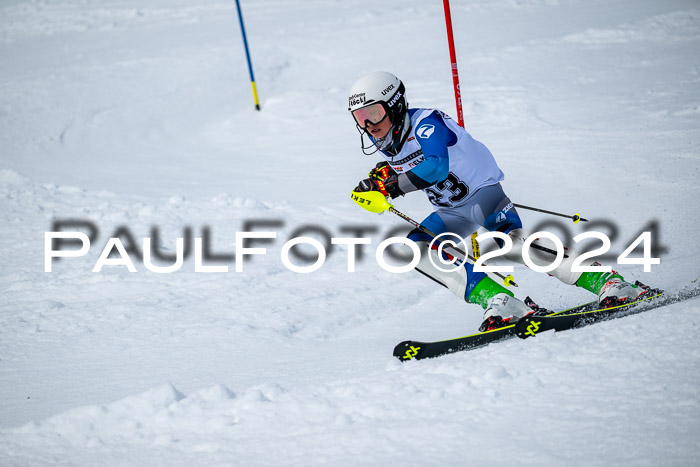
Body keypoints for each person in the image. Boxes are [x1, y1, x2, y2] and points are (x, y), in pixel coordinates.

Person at [348, 71, 649, 331]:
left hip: (484, 198)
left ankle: (609, 283)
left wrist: (394, 187)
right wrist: (377, 181)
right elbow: (398, 166)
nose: (369, 125)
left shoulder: (427, 123)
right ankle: (501, 302)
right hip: (451, 212)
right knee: (415, 249)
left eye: (374, 113)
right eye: (360, 118)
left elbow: (436, 166)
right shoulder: (388, 141)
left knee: (513, 245)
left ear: (396, 105)